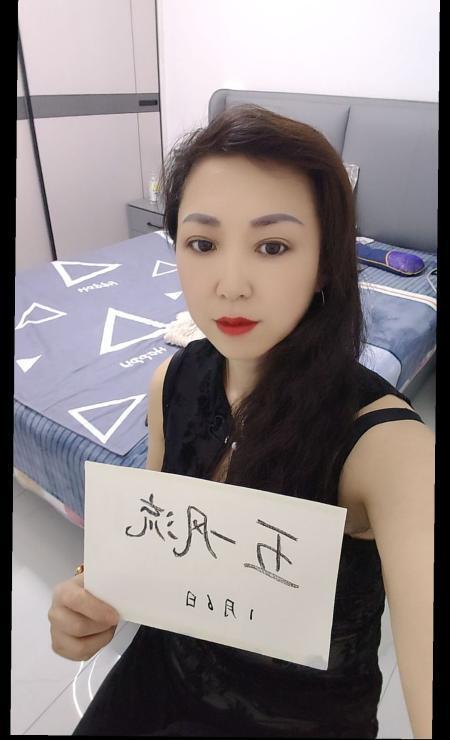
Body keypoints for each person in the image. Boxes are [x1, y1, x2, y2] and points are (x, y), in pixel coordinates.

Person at [48, 104, 434, 738]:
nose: (229, 285)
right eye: (202, 243)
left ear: (325, 262)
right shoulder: (170, 382)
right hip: (164, 672)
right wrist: (86, 596)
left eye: (272, 246)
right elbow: (154, 540)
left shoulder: (387, 449)